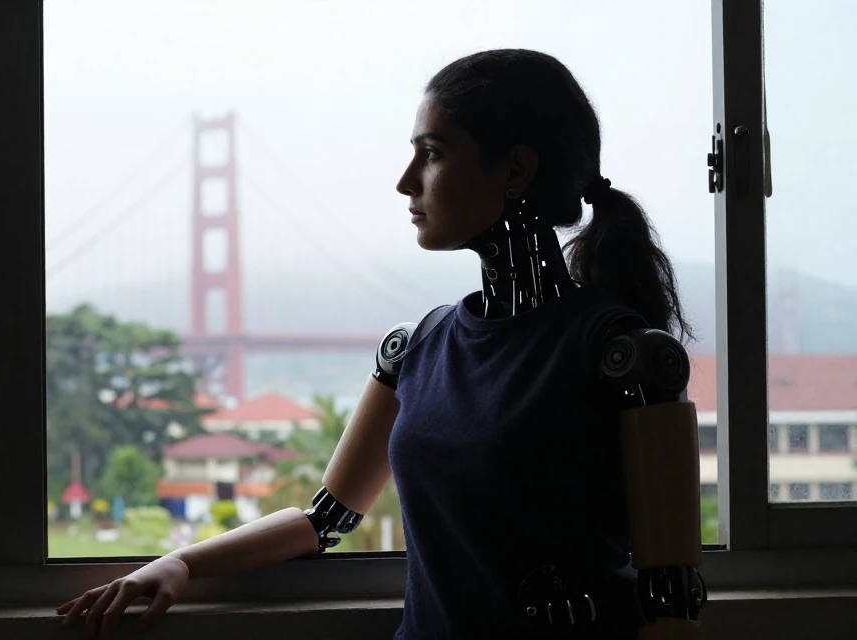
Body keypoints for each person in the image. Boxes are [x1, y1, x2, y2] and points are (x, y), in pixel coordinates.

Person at [57, 48, 698, 639]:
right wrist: (179, 564)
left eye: (434, 153)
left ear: (516, 169)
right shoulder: (414, 351)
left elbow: (672, 598)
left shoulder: (625, 357)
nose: (406, 181)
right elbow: (323, 520)